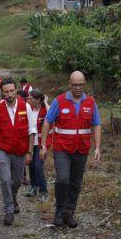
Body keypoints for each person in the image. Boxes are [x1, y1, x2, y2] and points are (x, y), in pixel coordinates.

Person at [40, 71, 101, 228]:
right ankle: (59, 210)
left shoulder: (90, 102)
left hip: (81, 149)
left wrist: (97, 148)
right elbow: (47, 122)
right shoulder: (59, 101)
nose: (78, 88)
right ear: (70, 84)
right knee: (63, 179)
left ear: (84, 84)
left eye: (81, 84)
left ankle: (69, 212)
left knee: (76, 183)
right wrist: (43, 145)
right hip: (62, 149)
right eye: (75, 84)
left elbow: (96, 124)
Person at [0, 77, 37, 226]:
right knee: (5, 179)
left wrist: (30, 152)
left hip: (20, 150)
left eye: (12, 91)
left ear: (16, 90)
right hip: (3, 150)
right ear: (2, 93)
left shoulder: (26, 107)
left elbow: (32, 131)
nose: (9, 94)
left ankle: (13, 197)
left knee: (18, 180)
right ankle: (9, 210)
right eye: (6, 92)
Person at [26, 89, 50, 201]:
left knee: (38, 166)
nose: (28, 100)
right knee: (31, 166)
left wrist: (45, 102)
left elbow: (52, 115)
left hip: (41, 143)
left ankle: (43, 191)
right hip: (31, 143)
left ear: (38, 100)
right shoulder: (28, 109)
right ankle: (33, 187)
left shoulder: (45, 110)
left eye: (31, 98)